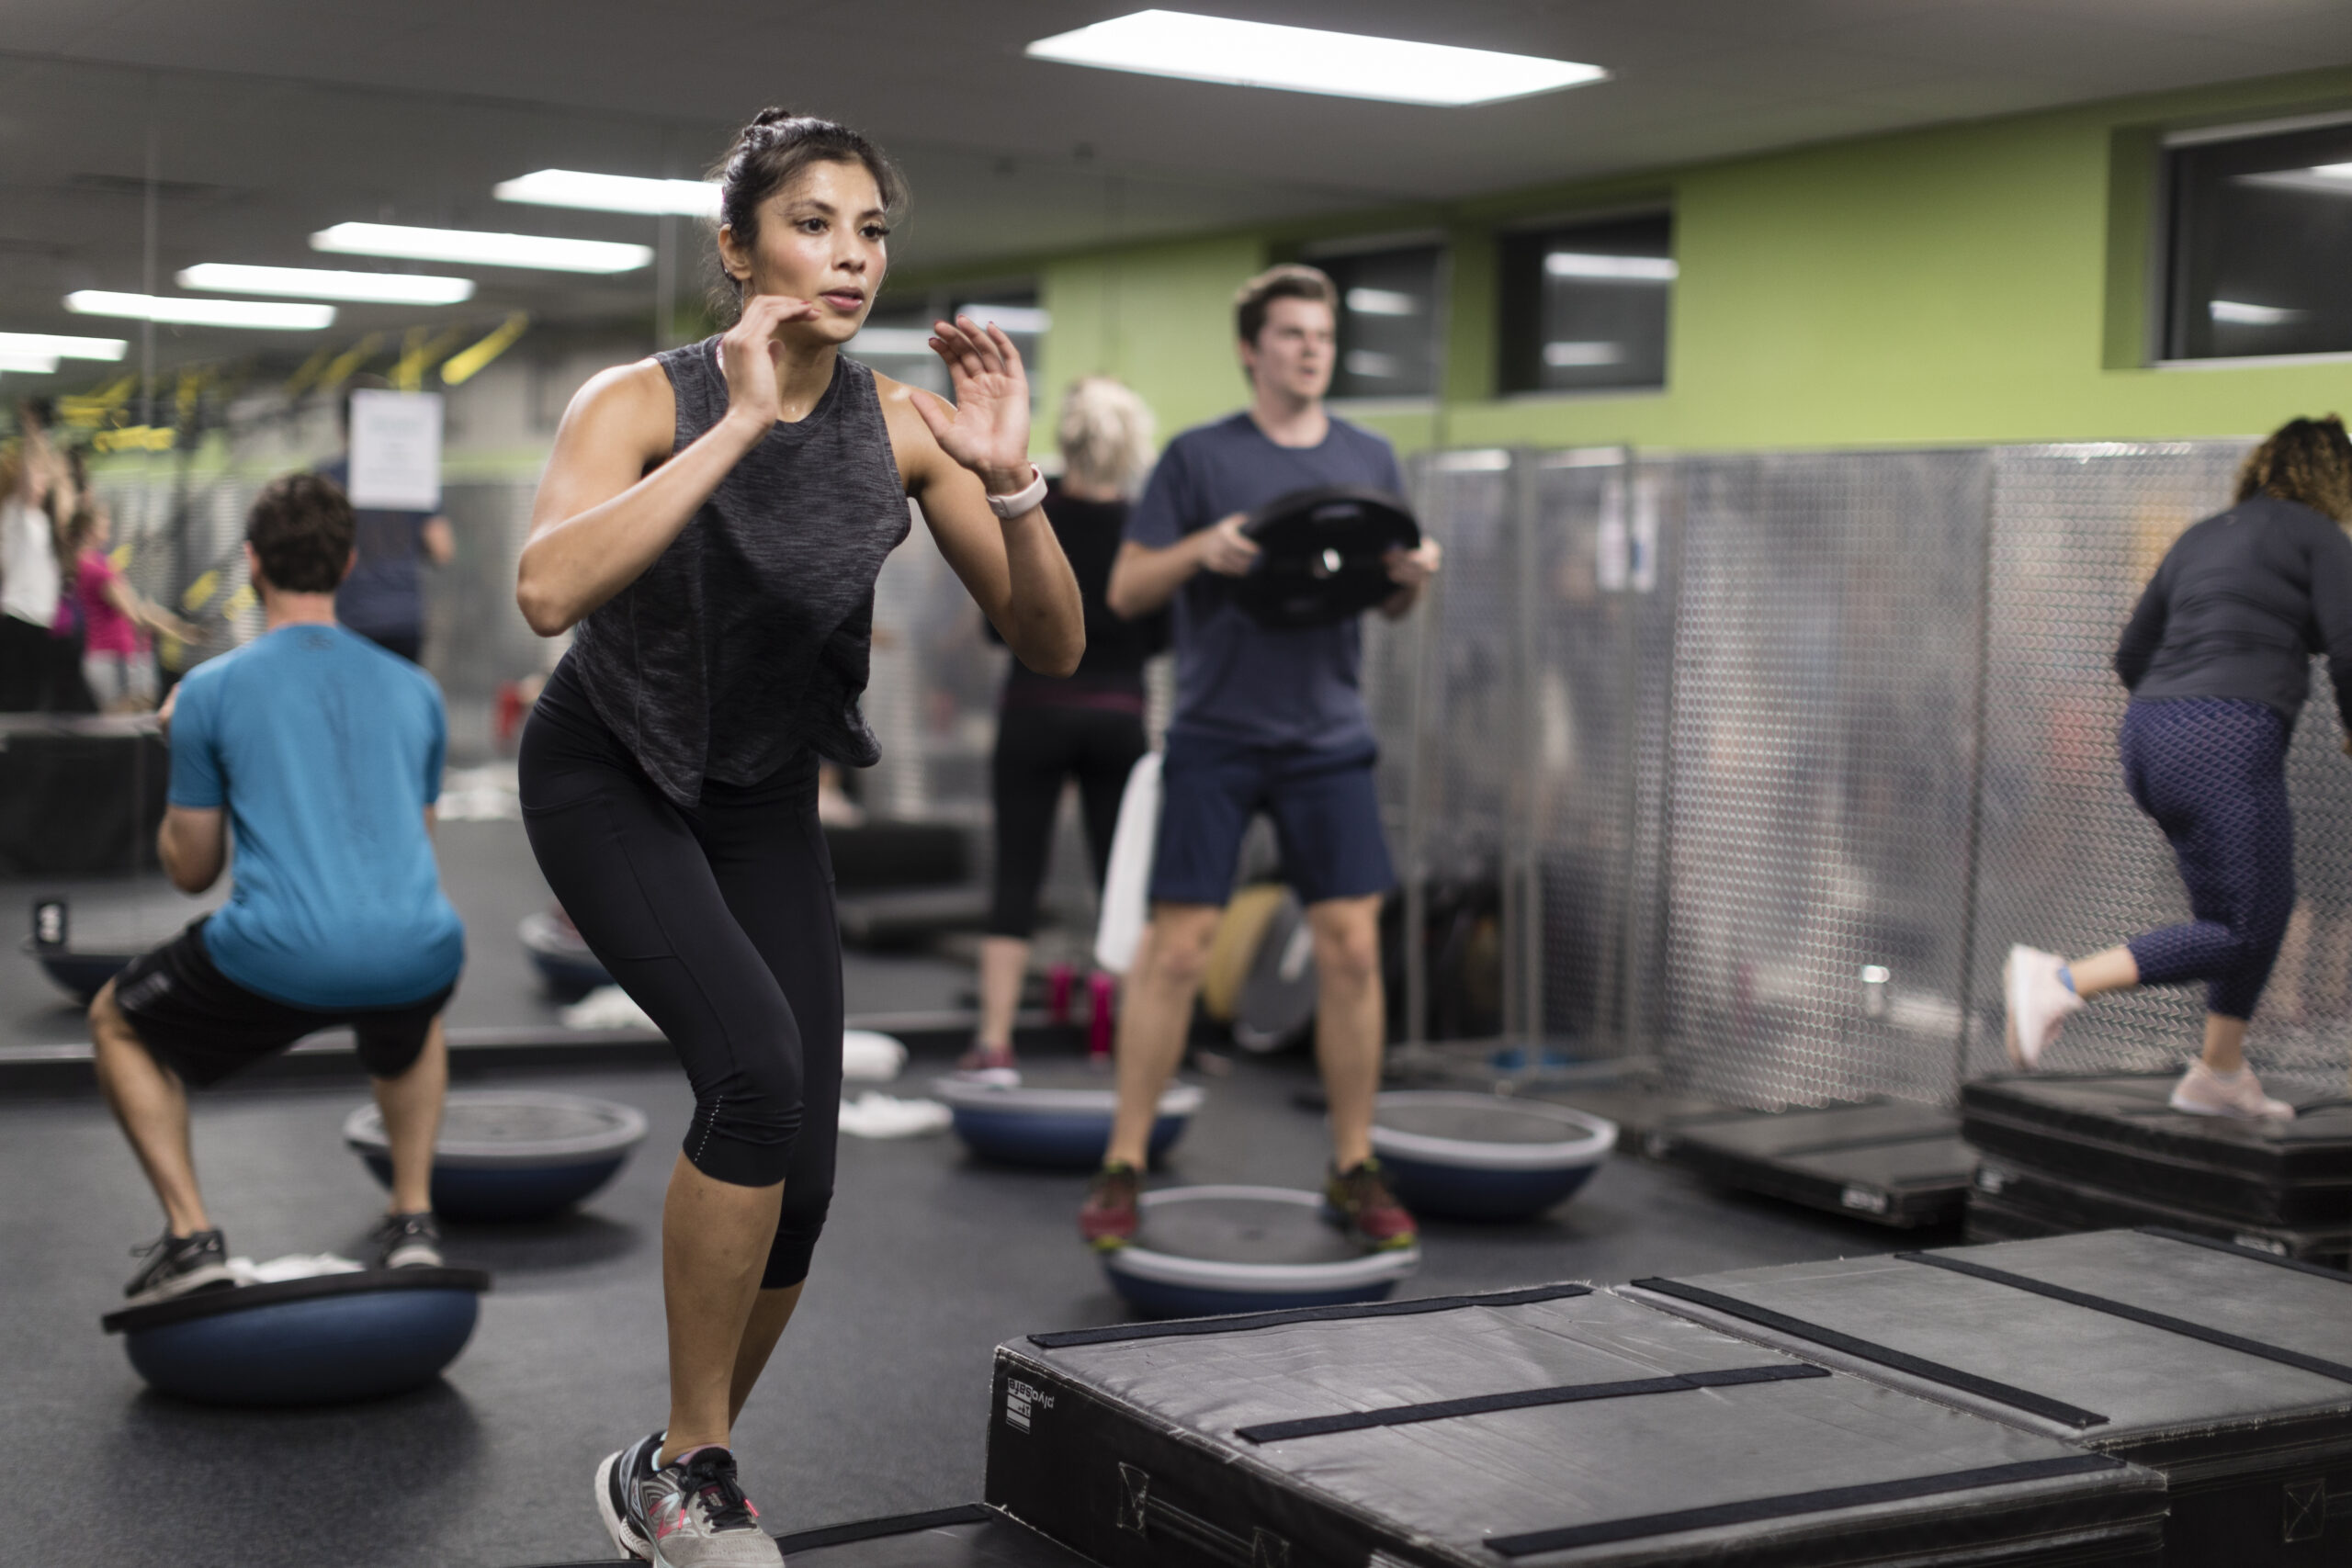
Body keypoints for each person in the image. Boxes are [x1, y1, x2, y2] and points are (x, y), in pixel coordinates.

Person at [514, 110, 1080, 1568]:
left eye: (872, 229)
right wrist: (745, 423)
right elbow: (546, 591)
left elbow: (1054, 640)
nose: (850, 255)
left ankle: (674, 1460)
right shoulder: (637, 398)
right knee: (755, 1074)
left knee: (805, 1175)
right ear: (738, 248)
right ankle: (698, 1469)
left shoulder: (899, 427)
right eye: (814, 223)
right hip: (611, 772)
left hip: (763, 789)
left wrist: (1014, 483)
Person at [1079, 264, 1443, 1251]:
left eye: (1321, 335)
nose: (1310, 349)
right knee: (1178, 953)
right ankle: (1123, 1160)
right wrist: (1204, 549)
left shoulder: (1370, 456)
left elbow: (1390, 599)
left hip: (1328, 737)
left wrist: (1410, 577)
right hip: (1216, 733)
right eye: (1289, 334)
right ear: (1251, 349)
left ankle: (1352, 1164)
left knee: (1354, 950)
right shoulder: (1198, 460)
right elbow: (1125, 591)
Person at [88, 472, 466, 1303]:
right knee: (409, 1013)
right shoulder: (418, 691)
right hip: (421, 943)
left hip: (281, 954)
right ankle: (413, 1221)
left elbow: (190, 872)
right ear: (350, 562)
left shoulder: (210, 691)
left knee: (117, 1019)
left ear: (252, 562)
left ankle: (190, 1240)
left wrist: (176, 741)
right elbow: (413, 848)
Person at [2005, 414, 2352, 1122]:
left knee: (2257, 907)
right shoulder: (2318, 535)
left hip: (2149, 734)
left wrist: (2183, 713)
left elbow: (2132, 654)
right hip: (2226, 734)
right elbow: (2349, 644)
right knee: (2246, 928)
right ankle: (2062, 979)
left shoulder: (2202, 536)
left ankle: (2219, 1071)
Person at [959, 377, 1168, 1081]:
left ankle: (994, 1044)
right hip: (1118, 719)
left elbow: (1000, 626)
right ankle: (1141, 1048)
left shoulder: (1032, 518)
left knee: (1016, 875)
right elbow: (1163, 631)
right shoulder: (1147, 532)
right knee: (1123, 884)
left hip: (1034, 713)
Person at [318, 374, 455, 663]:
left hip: (348, 621)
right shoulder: (413, 477)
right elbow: (442, 549)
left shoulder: (325, 480)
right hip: (405, 619)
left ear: (342, 426)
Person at [70, 488, 197, 711]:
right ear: (88, 529)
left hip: (117, 655)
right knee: (122, 725)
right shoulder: (95, 568)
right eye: (104, 521)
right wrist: (179, 630)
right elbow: (135, 613)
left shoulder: (94, 563)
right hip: (114, 657)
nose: (108, 525)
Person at [0, 400, 66, 711]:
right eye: (36, 478)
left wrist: (46, 441)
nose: (41, 482)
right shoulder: (16, 514)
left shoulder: (45, 520)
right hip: (19, 616)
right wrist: (32, 431)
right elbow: (28, 475)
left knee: (34, 704)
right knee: (15, 702)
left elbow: (57, 481)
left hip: (41, 620)